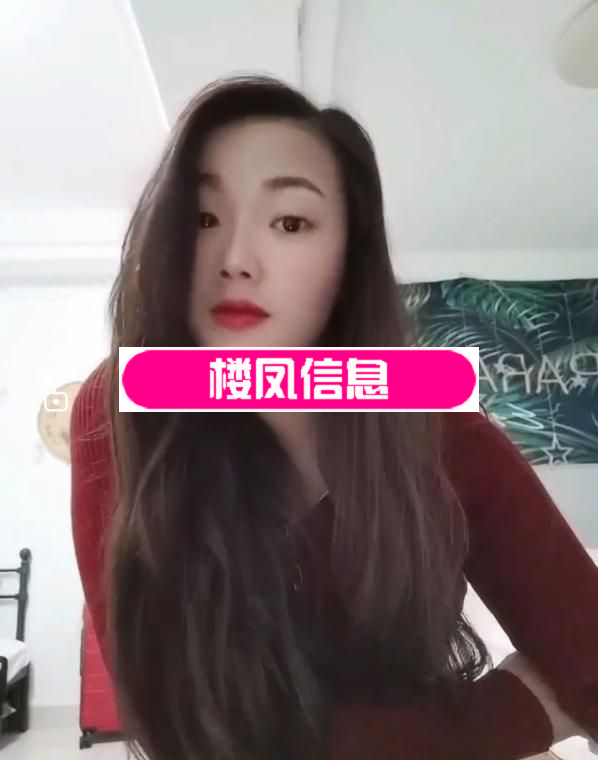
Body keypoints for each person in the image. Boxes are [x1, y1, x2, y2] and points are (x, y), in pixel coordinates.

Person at [70, 75, 598, 760]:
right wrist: (513, 715)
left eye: (290, 223)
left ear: (348, 259)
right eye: (202, 219)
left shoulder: (427, 421)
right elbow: (183, 729)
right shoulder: (117, 409)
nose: (237, 262)